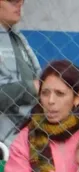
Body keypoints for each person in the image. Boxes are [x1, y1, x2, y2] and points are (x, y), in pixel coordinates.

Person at [0, 0, 40, 147]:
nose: (20, 3)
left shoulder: (17, 39)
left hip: (23, 137)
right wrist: (31, 88)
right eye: (12, 0)